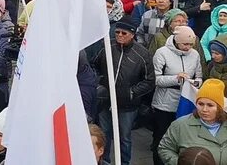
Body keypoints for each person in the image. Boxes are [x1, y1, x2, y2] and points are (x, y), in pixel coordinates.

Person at [94, 17, 155, 165]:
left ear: (133, 34)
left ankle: (124, 162)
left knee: (125, 138)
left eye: (124, 33)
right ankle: (105, 161)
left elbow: (149, 80)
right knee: (105, 135)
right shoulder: (107, 47)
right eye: (117, 32)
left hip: (127, 105)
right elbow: (94, 66)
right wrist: (100, 83)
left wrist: (131, 93)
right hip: (106, 100)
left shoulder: (142, 53)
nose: (120, 35)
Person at [151, 26, 203, 165]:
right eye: (185, 44)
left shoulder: (195, 54)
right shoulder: (162, 53)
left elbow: (199, 77)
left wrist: (195, 83)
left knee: (181, 139)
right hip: (164, 104)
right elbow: (155, 79)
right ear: (176, 40)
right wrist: (175, 78)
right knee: (161, 138)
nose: (188, 48)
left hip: (185, 103)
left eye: (191, 45)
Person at [159, 79, 227, 163]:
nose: (204, 109)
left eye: (210, 105)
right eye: (200, 104)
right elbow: (165, 148)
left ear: (219, 108)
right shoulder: (180, 125)